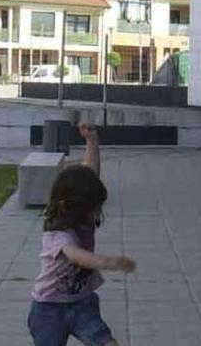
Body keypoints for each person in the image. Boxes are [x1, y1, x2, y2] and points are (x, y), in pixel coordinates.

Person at [28, 123, 137, 346]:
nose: (97, 213)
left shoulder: (81, 217)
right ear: (77, 206)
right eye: (93, 207)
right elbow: (76, 256)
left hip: (82, 304)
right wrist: (107, 262)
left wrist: (92, 141)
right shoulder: (58, 233)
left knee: (106, 341)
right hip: (49, 310)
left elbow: (90, 175)